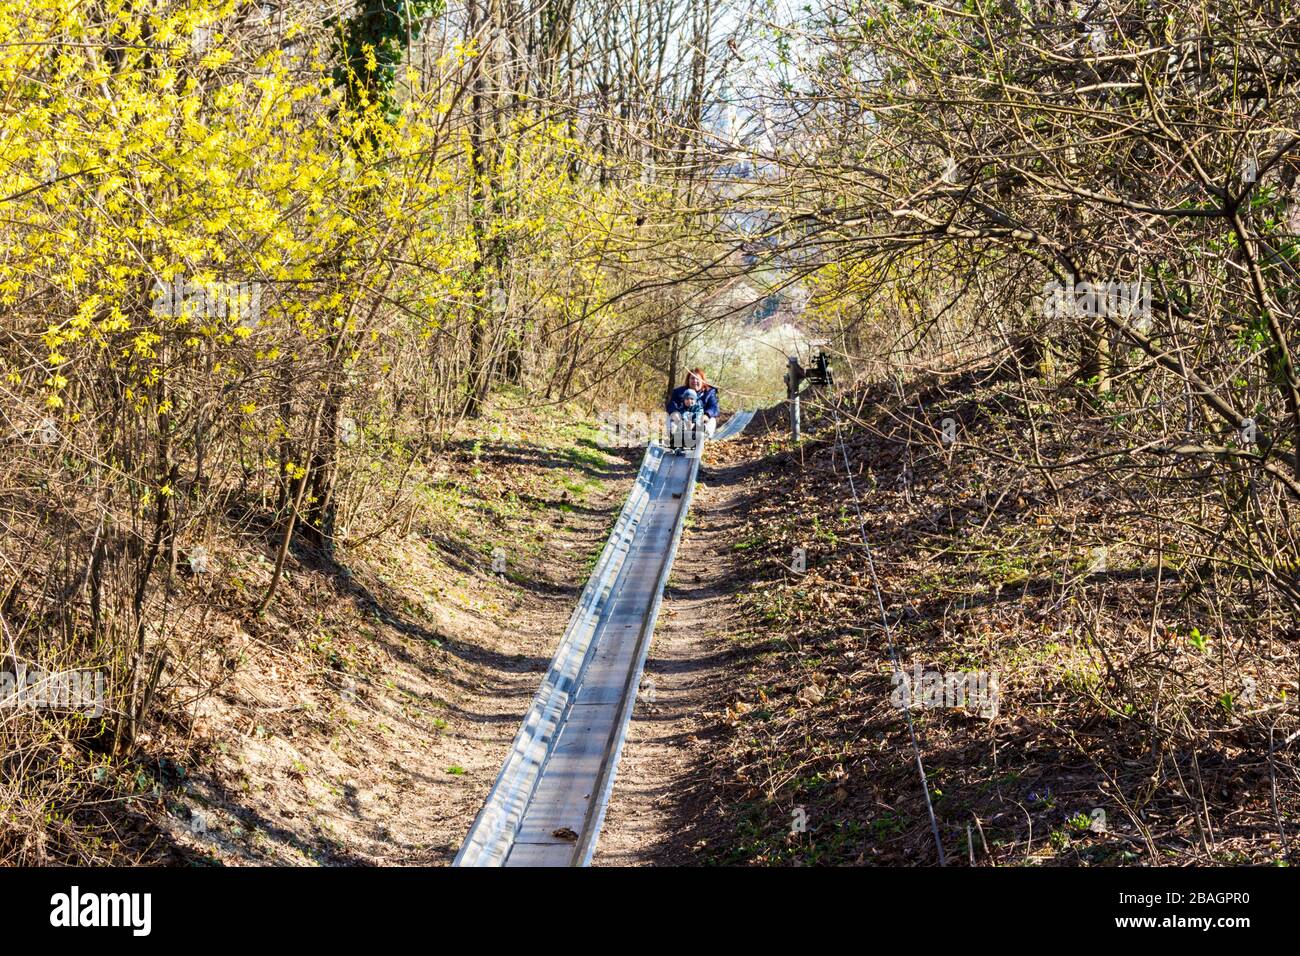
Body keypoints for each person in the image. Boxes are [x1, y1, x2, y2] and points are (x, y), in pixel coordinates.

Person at [665, 368, 720, 454]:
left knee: (712, 419)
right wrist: (674, 412)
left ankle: (703, 437)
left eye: (697, 379)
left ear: (702, 380)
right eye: (692, 378)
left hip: (700, 421)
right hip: (682, 420)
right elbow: (672, 404)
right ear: (688, 380)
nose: (695, 381)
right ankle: (675, 438)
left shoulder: (709, 392)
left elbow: (714, 407)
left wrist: (706, 415)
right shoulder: (679, 392)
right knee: (670, 416)